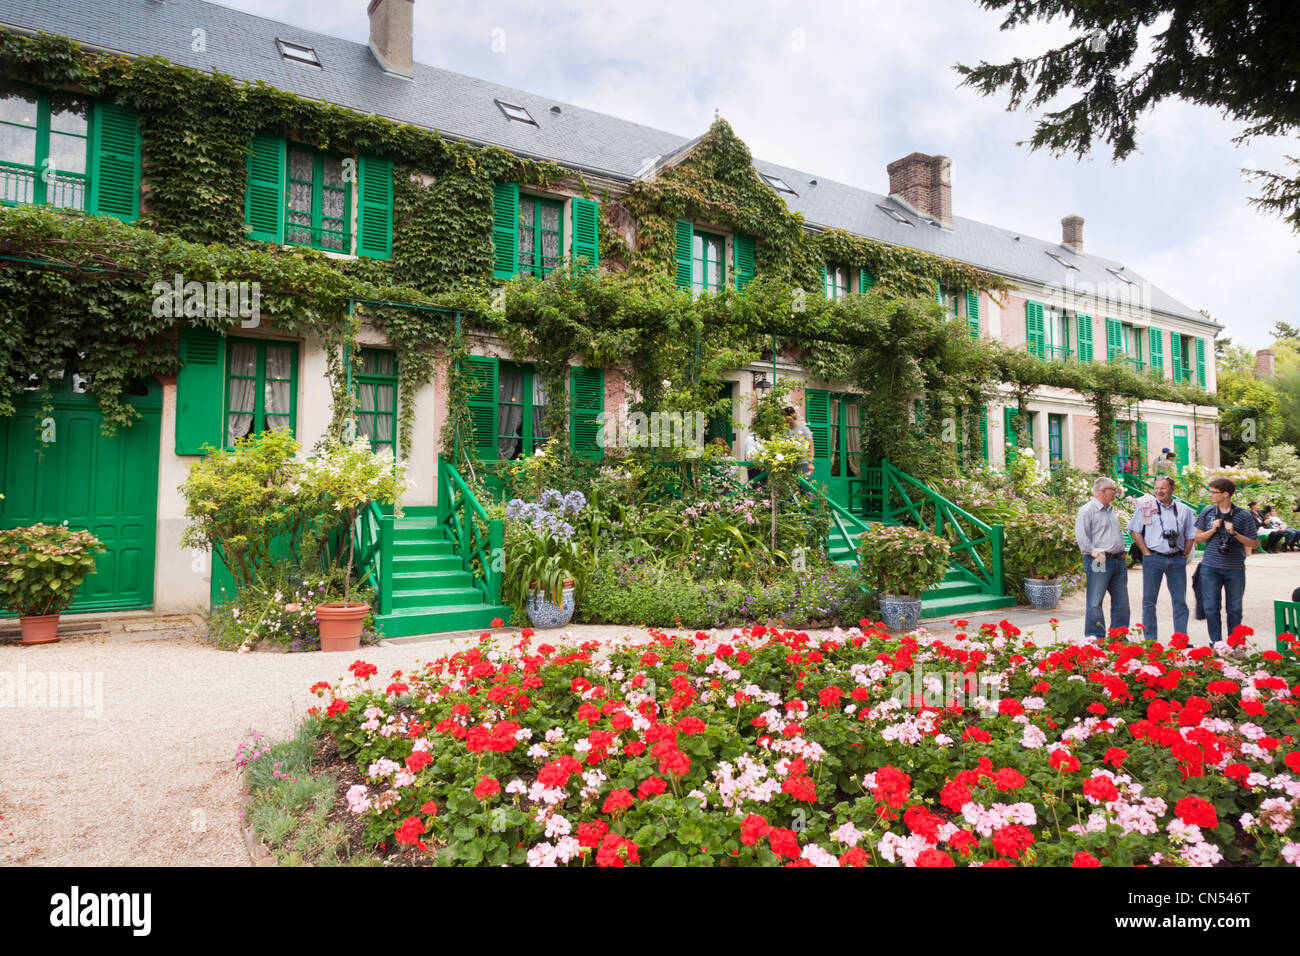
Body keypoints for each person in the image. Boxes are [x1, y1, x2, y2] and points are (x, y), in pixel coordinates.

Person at [1127, 476, 1196, 640]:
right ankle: (1150, 640)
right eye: (1156, 488)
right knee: (1149, 601)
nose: (1159, 491)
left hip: (1176, 559)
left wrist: (1185, 554)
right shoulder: (1146, 507)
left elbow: (1191, 535)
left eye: (1163, 488)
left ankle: (1180, 639)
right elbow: (1134, 530)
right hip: (1153, 558)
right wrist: (1145, 552)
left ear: (1172, 489)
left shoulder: (1184, 510)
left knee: (1180, 601)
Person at [1193, 477, 1258, 644]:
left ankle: (1235, 644)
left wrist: (1234, 533)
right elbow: (1197, 538)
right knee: (1211, 607)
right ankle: (1217, 643)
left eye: (1213, 492)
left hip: (1234, 568)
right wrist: (1213, 529)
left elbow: (1253, 543)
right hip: (1210, 567)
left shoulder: (1243, 515)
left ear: (1226, 494)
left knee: (1234, 609)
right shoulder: (1207, 512)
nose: (1210, 495)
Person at [1075, 476, 1130, 643]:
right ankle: (1096, 638)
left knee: (1122, 602)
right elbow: (1082, 537)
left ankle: (1118, 637)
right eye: (1113, 489)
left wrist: (1121, 550)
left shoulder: (1110, 509)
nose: (1116, 492)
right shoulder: (1087, 510)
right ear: (1102, 491)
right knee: (1095, 601)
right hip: (1099, 559)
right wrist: (1093, 552)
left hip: (1118, 560)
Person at [784, 405, 815, 480]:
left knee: (804, 488)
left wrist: (810, 463)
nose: (784, 420)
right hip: (790, 465)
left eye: (785, 417)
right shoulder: (785, 431)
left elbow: (811, 447)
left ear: (791, 416)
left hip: (803, 463)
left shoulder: (804, 429)